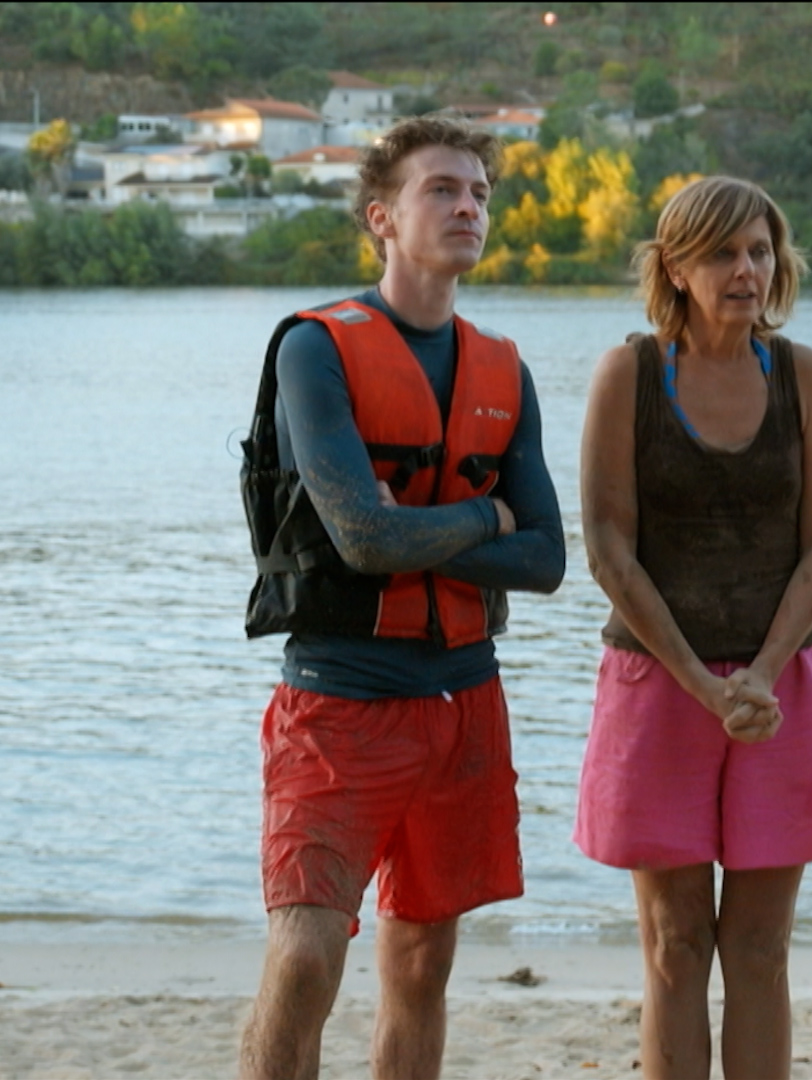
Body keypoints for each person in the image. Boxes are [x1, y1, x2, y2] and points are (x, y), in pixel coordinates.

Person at [236, 114, 565, 1079]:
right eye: (442, 190)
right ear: (381, 217)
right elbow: (362, 540)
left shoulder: (503, 368)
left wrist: (432, 530)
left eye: (480, 193)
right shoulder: (316, 350)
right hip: (338, 703)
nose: (469, 208)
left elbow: (547, 558)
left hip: (463, 701)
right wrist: (487, 517)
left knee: (422, 964)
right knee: (305, 958)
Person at [573, 175, 812, 1080]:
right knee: (676, 943)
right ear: (674, 268)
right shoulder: (629, 375)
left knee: (761, 949)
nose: (747, 270)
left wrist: (761, 675)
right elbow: (608, 548)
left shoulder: (802, 375)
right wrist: (701, 683)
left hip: (782, 687)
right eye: (723, 253)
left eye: (760, 251)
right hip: (657, 689)